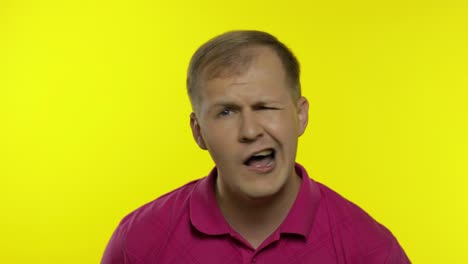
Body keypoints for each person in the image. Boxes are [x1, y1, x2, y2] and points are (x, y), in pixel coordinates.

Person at [101, 30, 411, 263]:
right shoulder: (139, 241)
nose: (250, 131)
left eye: (265, 107)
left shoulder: (369, 248)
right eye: (226, 112)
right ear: (198, 132)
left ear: (300, 116)